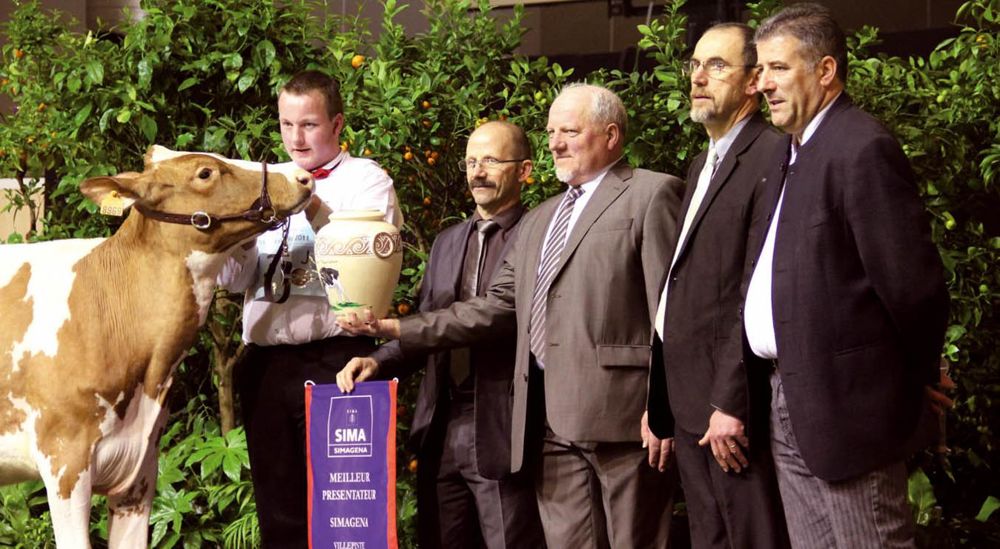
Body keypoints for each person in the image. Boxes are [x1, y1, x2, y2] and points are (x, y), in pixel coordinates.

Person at [340, 83, 684, 548]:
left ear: (610, 135)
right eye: (551, 132)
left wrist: (663, 405)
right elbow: (499, 306)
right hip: (546, 423)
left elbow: (670, 312)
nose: (557, 143)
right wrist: (394, 333)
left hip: (623, 421)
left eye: (570, 131)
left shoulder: (652, 192)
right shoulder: (543, 217)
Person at [743, 4, 949, 547]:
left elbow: (912, 287)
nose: (763, 83)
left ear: (826, 71)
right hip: (789, 400)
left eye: (779, 68)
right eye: (761, 69)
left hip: (851, 410)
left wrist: (922, 374)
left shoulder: (861, 147)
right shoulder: (792, 151)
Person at [337, 121, 545, 548]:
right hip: (441, 427)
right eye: (471, 161)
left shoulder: (537, 236)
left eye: (490, 160)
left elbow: (489, 317)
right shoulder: (447, 242)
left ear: (524, 171)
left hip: (502, 428)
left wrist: (390, 326)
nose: (477, 172)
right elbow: (428, 323)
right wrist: (379, 359)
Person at [217, 70, 402, 548]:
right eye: (286, 124)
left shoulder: (367, 178)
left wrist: (308, 202)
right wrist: (233, 236)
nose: (295, 138)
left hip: (337, 360)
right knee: (279, 513)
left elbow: (365, 254)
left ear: (337, 124)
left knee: (345, 513)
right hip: (265, 364)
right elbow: (237, 280)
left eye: (310, 125)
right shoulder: (268, 182)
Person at [645, 23, 790, 549]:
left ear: (754, 81)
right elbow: (683, 291)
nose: (698, 78)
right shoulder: (700, 161)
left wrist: (730, 402)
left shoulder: (771, 155)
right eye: (695, 65)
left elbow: (754, 290)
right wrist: (658, 400)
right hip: (689, 404)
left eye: (717, 66)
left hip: (732, 412)